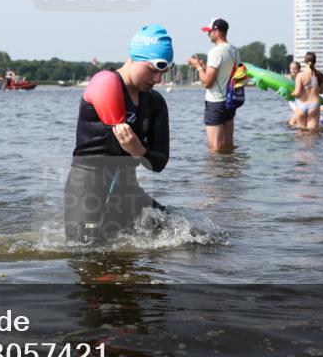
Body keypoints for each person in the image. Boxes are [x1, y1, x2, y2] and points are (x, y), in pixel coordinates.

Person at [65, 25, 172, 244]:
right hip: (89, 190)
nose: (158, 79)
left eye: (163, 72)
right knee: (88, 255)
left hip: (129, 192)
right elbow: (117, 143)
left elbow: (159, 163)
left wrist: (139, 151)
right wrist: (135, 151)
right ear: (134, 57)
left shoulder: (155, 102)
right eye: (152, 69)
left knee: (191, 235)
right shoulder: (105, 82)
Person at [187, 18, 242, 152]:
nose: (208, 34)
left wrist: (198, 67)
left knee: (214, 147)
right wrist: (204, 67)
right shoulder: (235, 50)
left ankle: (217, 166)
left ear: (217, 32)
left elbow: (207, 83)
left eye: (210, 31)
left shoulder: (215, 51)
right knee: (228, 145)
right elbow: (227, 73)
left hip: (216, 102)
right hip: (230, 101)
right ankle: (230, 165)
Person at [292, 52, 323, 129]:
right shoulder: (320, 75)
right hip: (314, 105)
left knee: (301, 131)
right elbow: (321, 91)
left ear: (305, 61)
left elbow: (297, 93)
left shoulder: (300, 75)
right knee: (312, 133)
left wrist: (290, 93)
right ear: (315, 62)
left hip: (301, 104)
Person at [286, 61, 301, 126]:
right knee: (297, 114)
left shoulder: (301, 77)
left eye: (295, 69)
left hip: (300, 100)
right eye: (291, 69)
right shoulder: (288, 78)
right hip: (292, 100)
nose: (293, 71)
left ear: (299, 69)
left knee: (297, 114)